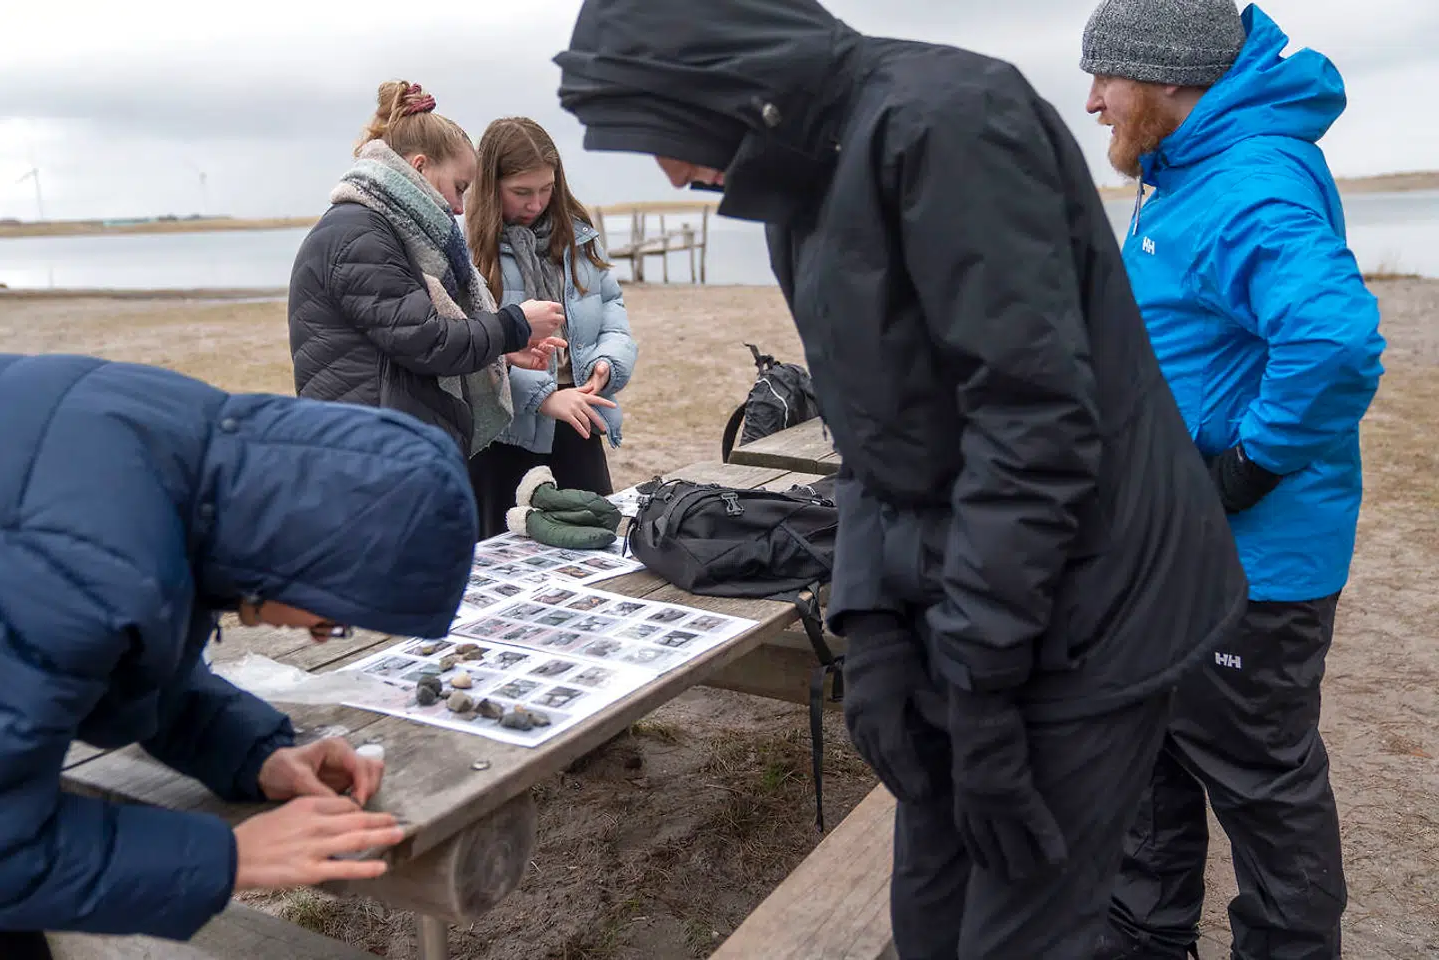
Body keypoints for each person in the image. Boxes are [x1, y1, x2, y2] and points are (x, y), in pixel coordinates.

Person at [553, 1, 1249, 956]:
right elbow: (871, 437)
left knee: (1021, 927)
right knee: (929, 916)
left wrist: (984, 682)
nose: (674, 173)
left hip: (1095, 603)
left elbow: (1032, 425)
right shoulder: (798, 183)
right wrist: (873, 626)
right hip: (968, 592)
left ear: (731, 77)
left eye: (666, 134)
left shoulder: (948, 123)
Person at [1079, 3, 1386, 957]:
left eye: (1108, 79)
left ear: (1173, 78)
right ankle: (1143, 935)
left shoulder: (1247, 182)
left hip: (1249, 567)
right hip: (1177, 550)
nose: (1092, 101)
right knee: (1153, 752)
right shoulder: (1189, 167)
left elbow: (1334, 338)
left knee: (1260, 781)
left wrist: (1246, 468)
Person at [0, 353, 480, 956]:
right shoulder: (87, 570)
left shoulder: (190, 454)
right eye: (331, 620)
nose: (317, 634)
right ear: (302, 563)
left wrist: (254, 753)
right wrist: (230, 857)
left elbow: (137, 654)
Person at [289, 80, 567, 466]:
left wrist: (499, 354)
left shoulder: (384, 227)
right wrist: (513, 325)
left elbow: (403, 340)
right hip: (369, 452)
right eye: (459, 187)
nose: (458, 207)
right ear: (420, 166)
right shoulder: (360, 235)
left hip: (384, 442)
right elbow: (428, 341)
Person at [463, 117, 636, 539]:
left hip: (578, 422)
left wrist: (606, 365)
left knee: (593, 547)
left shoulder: (580, 239)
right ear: (490, 186)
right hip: (503, 438)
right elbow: (470, 346)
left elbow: (612, 309)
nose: (536, 203)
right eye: (522, 192)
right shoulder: (466, 251)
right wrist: (543, 397)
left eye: (546, 188)